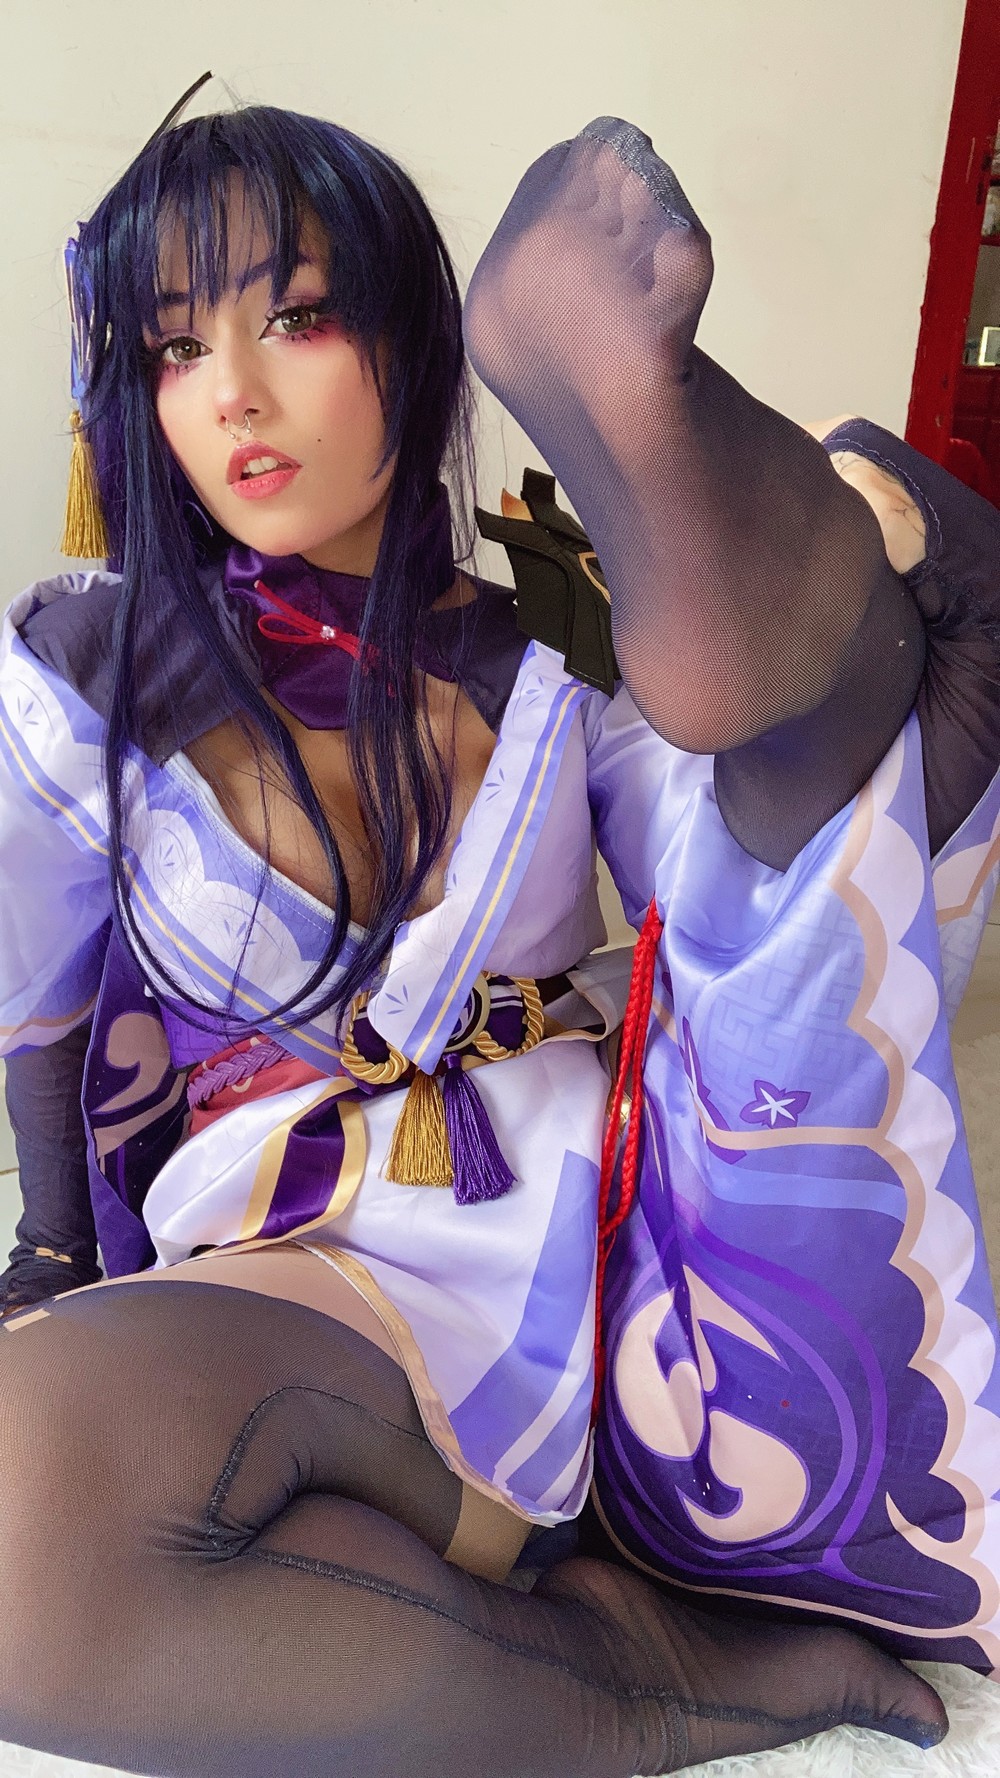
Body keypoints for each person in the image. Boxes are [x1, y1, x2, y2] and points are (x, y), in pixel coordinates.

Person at [1, 97, 997, 1774]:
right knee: (40, 1505)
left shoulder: (549, 641)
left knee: (770, 815)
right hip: (288, 1255)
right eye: (174, 347)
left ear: (412, 339)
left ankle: (806, 600)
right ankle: (631, 1666)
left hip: (601, 1251)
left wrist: (754, 726)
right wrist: (49, 1252)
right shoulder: (81, 673)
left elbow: (732, 915)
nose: (230, 391)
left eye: (294, 317)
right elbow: (35, 1003)